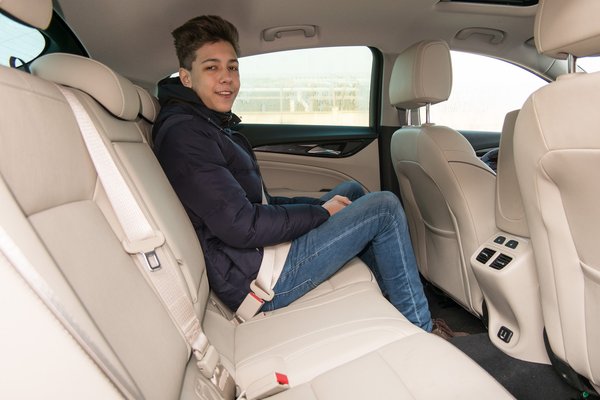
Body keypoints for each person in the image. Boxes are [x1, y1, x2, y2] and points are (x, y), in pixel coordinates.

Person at [153, 15, 434, 332]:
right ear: (186, 78)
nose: (227, 78)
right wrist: (322, 214)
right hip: (258, 281)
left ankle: (394, 306)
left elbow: (261, 204)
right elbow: (242, 225)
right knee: (384, 208)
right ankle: (421, 327)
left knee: (351, 191)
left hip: (260, 257)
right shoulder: (186, 135)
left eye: (232, 67)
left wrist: (321, 208)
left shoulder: (208, 125)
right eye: (211, 68)